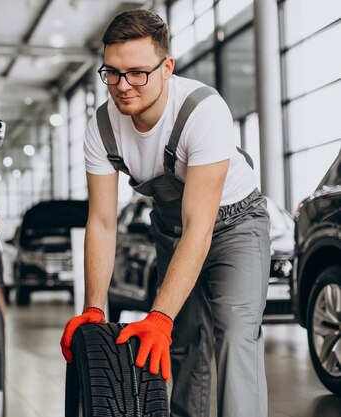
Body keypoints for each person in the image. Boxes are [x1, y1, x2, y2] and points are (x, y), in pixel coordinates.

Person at [59, 9, 270, 417]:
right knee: (184, 340)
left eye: (137, 72)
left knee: (235, 332)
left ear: (167, 67)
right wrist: (94, 309)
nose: (123, 86)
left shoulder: (201, 111)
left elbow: (200, 225)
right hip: (172, 228)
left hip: (236, 224)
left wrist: (157, 315)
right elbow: (102, 222)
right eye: (112, 73)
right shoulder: (100, 128)